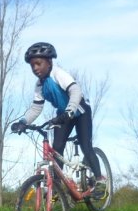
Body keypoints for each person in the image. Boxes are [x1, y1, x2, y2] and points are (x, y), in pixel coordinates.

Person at [11, 42, 107, 199]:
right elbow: (36, 108)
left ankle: (99, 180)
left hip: (80, 110)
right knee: (56, 149)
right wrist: (23, 122)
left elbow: (75, 91)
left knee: (85, 146)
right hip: (63, 114)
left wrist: (70, 111)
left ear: (49, 62)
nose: (35, 68)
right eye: (32, 65)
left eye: (38, 63)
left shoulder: (58, 74)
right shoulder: (39, 85)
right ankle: (57, 186)